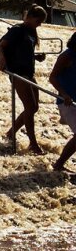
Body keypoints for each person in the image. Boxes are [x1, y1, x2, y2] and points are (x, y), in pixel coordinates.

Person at [0, 4, 48, 155]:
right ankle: (32, 143)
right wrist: (1, 60)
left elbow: (24, 51)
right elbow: (1, 46)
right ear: (30, 17)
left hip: (29, 72)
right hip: (18, 72)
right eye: (39, 20)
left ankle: (11, 132)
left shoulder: (31, 32)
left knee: (34, 108)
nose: (40, 24)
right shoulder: (17, 30)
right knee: (30, 108)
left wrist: (37, 57)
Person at [49, 32, 76, 171]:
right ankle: (59, 164)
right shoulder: (67, 56)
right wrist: (64, 94)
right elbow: (52, 77)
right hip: (68, 102)